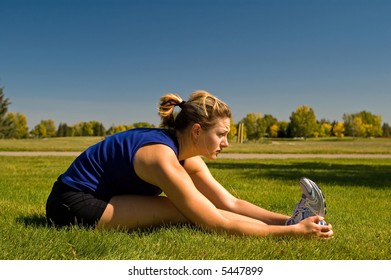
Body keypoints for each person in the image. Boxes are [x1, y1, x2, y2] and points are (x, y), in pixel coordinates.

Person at [46, 90, 333, 238]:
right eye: (221, 134)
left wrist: (286, 221)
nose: (226, 143)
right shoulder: (161, 158)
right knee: (185, 211)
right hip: (71, 203)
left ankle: (293, 218)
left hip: (106, 197)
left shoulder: (186, 154)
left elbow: (229, 203)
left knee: (197, 206)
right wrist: (292, 234)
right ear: (197, 131)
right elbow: (215, 222)